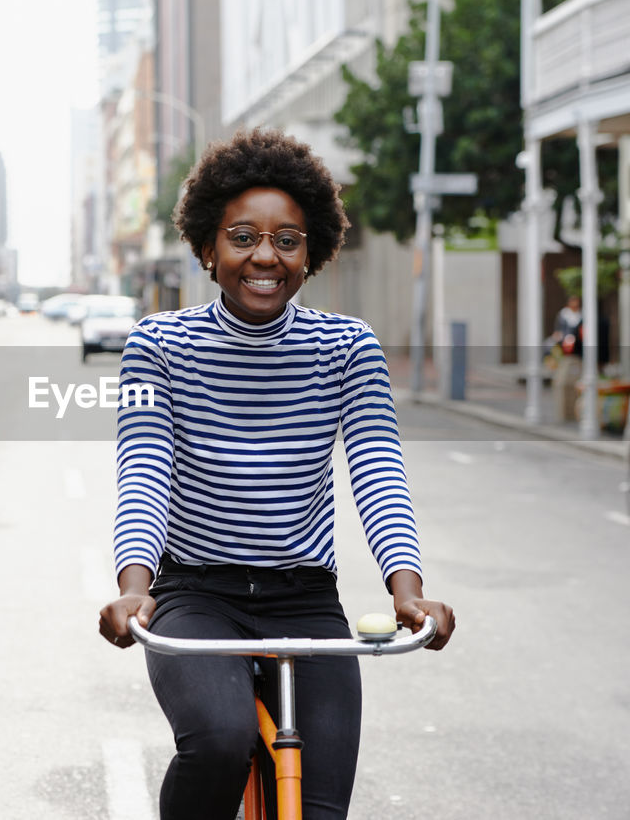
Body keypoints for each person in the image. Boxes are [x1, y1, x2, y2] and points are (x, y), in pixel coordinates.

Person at [96, 128, 455, 820]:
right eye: (242, 237)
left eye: (288, 240)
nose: (266, 256)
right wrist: (135, 589)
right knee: (221, 742)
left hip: (305, 600)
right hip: (196, 596)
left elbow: (379, 472)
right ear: (208, 247)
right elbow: (144, 469)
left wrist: (407, 591)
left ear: (311, 253)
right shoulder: (158, 345)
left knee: (319, 809)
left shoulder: (348, 347)